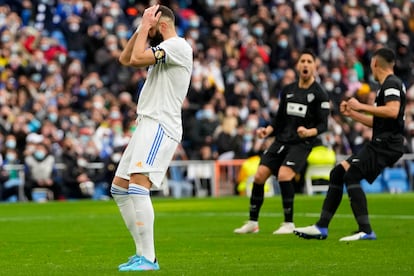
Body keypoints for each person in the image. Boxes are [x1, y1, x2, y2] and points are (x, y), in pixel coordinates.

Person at [110, 4, 193, 272]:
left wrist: (147, 28)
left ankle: (149, 258)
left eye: (153, 26)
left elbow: (135, 59)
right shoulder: (162, 48)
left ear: (163, 25)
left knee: (137, 186)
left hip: (161, 123)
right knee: (119, 189)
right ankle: (141, 253)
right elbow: (125, 58)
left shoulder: (178, 46)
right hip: (146, 122)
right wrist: (141, 28)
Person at [293, 47, 406, 241]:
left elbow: (393, 111)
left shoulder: (391, 84)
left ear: (375, 63)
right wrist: (353, 114)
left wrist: (360, 105)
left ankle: (366, 230)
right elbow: (380, 121)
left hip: (386, 144)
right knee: (338, 173)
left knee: (351, 175)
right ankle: (321, 227)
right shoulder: (390, 85)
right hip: (383, 142)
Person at [234, 49, 330, 234]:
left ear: (315, 66)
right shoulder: (288, 90)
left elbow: (323, 125)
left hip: (302, 143)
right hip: (281, 140)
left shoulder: (320, 94)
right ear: (297, 65)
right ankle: (253, 222)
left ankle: (288, 223)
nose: (305, 64)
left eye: (309, 61)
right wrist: (267, 130)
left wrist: (309, 131)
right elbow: (279, 120)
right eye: (302, 61)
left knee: (285, 175)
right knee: (260, 175)